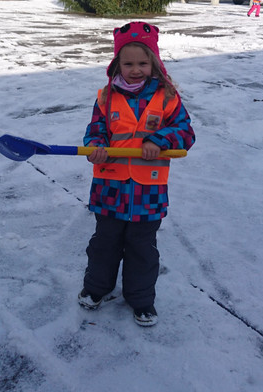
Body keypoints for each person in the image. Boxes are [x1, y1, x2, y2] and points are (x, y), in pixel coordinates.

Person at [78, 21, 195, 327]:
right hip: (109, 188)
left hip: (148, 192)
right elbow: (95, 131)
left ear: (154, 63)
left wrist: (160, 140)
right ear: (116, 64)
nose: (135, 70)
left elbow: (185, 132)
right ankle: (96, 288)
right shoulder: (106, 97)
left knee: (142, 248)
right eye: (128, 64)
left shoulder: (167, 97)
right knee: (104, 243)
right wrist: (96, 147)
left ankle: (141, 300)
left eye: (143, 63)